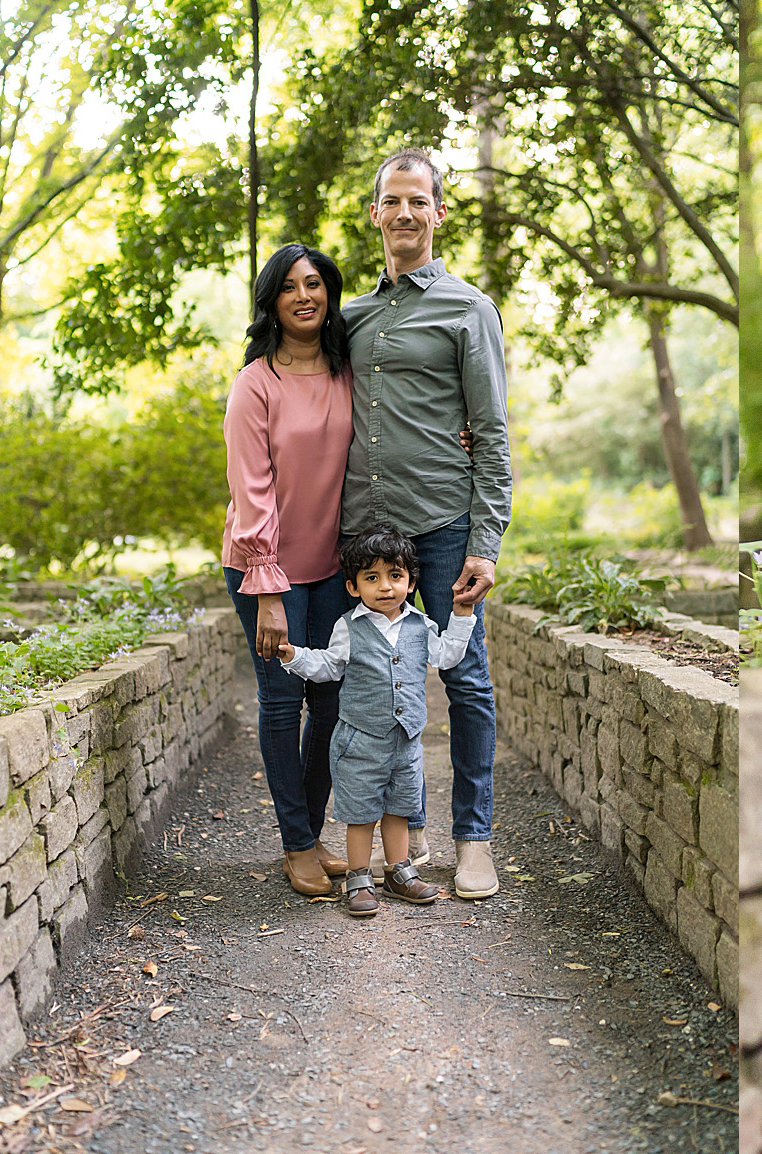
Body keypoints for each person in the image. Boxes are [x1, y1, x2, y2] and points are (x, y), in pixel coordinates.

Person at [341, 147, 514, 901]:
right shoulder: (349, 316)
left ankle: (473, 842)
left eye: (420, 200)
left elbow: (493, 431)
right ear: (374, 213)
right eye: (393, 200)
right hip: (362, 530)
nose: (405, 212)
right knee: (360, 680)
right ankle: (373, 848)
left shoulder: (467, 308)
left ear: (440, 213)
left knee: (465, 677)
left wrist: (486, 541)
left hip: (443, 524)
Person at [223, 243, 359, 897]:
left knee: (332, 704)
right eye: (289, 287)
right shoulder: (255, 385)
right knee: (283, 703)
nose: (305, 295)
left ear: (329, 293)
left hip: (333, 567)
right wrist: (269, 591)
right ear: (271, 301)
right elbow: (252, 493)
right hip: (263, 569)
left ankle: (310, 827)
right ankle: (296, 843)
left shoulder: (347, 369)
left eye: (315, 283)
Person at [279, 527, 470, 915]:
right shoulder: (349, 627)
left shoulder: (421, 625)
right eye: (372, 578)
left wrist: (463, 616)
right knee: (361, 811)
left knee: (400, 806)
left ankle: (399, 872)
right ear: (353, 587)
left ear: (410, 581)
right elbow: (328, 666)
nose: (385, 587)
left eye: (395, 576)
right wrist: (293, 656)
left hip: (406, 739)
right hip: (360, 739)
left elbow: (447, 657)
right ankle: (359, 877)